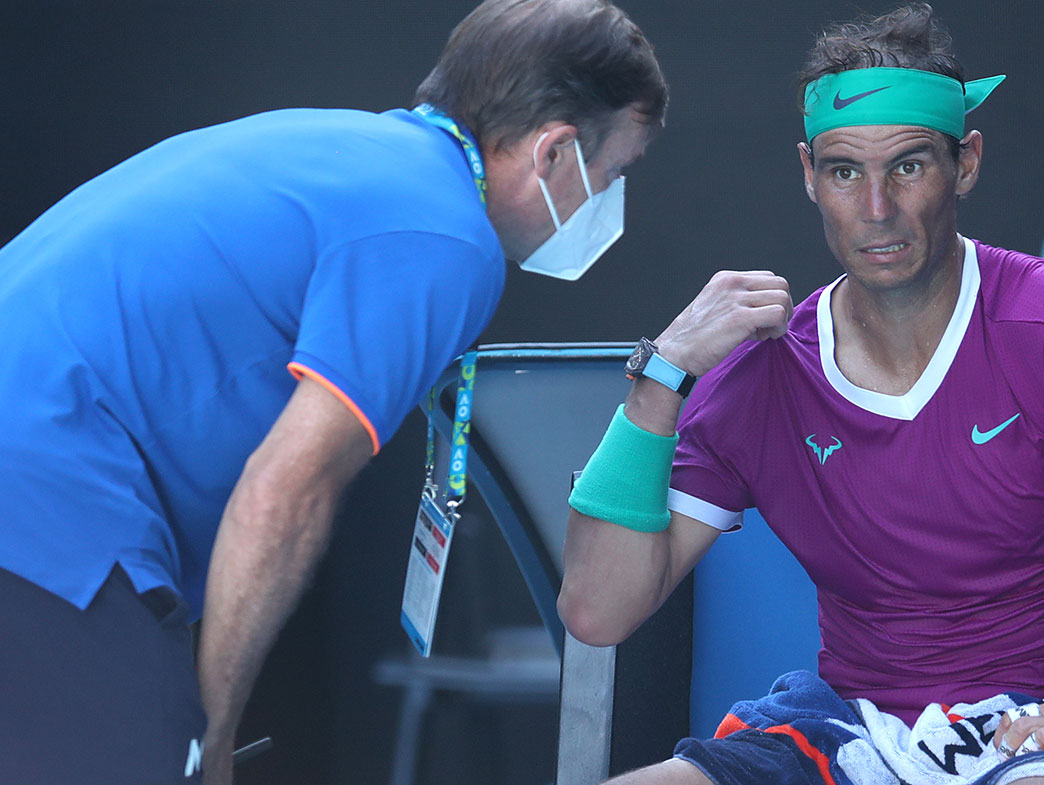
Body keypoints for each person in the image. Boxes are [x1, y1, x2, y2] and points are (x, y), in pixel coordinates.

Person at [559, 5, 1044, 785]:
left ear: (965, 163)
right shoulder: (765, 372)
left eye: (908, 166)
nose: (876, 207)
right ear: (809, 175)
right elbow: (597, 611)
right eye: (844, 171)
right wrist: (662, 375)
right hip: (855, 737)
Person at [0, 0, 665, 782]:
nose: (608, 200)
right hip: (46, 513)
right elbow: (285, 493)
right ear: (554, 150)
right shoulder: (442, 235)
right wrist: (210, 735)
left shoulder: (335, 148)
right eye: (614, 173)